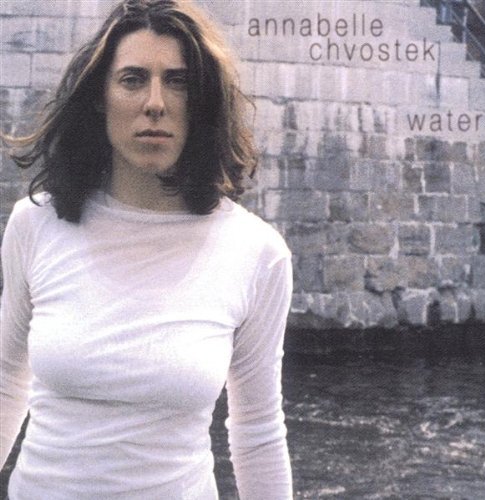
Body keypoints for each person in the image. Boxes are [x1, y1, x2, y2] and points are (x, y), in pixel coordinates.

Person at [0, 0, 293, 498]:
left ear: (202, 102)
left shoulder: (257, 253)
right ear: (100, 97)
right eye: (133, 79)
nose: (155, 103)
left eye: (178, 82)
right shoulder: (35, 224)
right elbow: (7, 381)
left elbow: (258, 431)